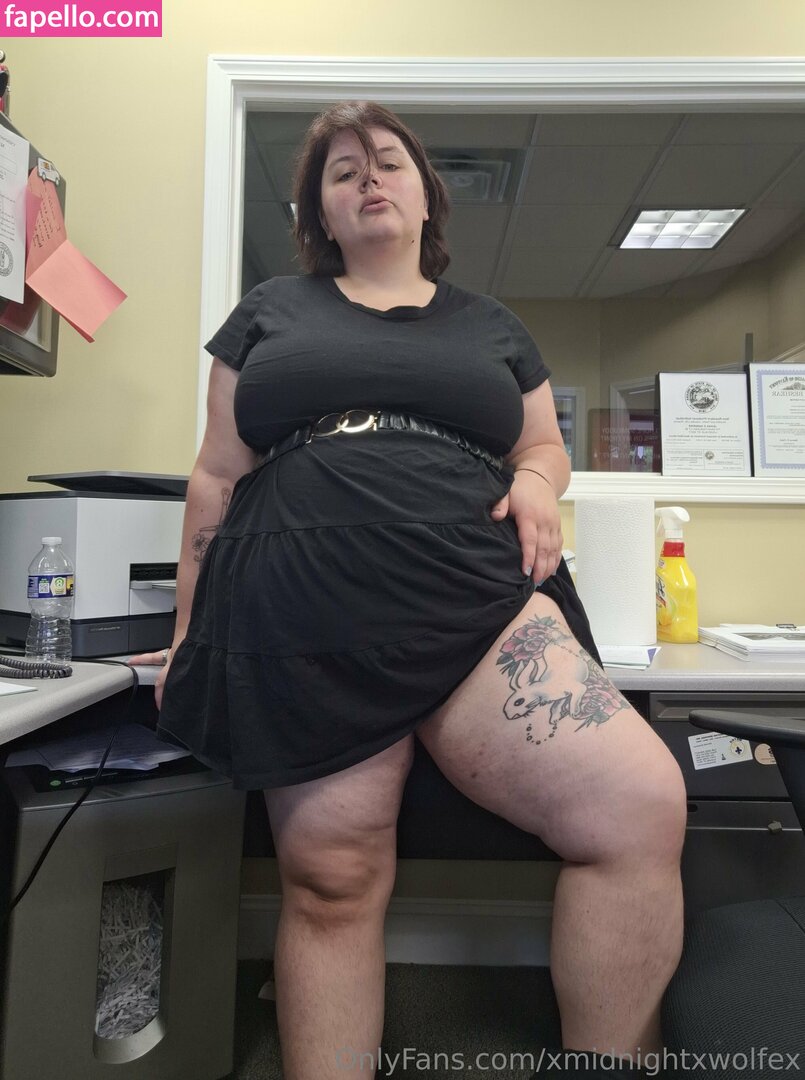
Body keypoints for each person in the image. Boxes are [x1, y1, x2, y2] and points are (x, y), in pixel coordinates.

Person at [129, 101, 687, 1080]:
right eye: (342, 172)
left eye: (387, 162)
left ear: (427, 195)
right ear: (320, 213)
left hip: (475, 597)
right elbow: (216, 475)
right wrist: (186, 631)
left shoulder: (491, 324)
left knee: (637, 807)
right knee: (333, 880)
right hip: (304, 606)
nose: (368, 179)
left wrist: (533, 479)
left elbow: (543, 446)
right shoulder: (269, 311)